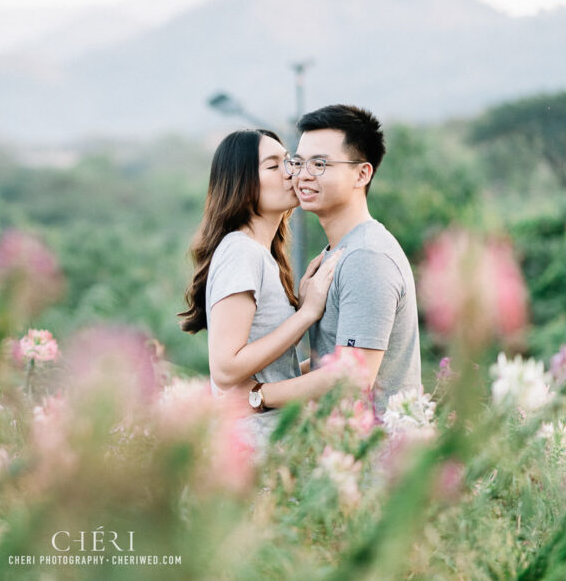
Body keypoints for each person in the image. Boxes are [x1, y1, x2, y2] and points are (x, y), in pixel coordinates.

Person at [254, 104, 422, 415]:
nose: (303, 176)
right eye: (299, 162)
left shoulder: (367, 256)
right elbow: (331, 361)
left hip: (380, 456)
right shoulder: (339, 251)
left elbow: (351, 377)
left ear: (362, 173)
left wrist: (260, 396)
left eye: (319, 164)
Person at [179, 128, 341, 437]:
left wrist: (330, 368)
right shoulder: (241, 252)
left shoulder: (261, 254)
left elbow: (271, 370)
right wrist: (307, 314)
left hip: (271, 441)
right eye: (273, 165)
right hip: (254, 446)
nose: (291, 172)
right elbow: (226, 369)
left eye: (289, 161)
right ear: (243, 184)